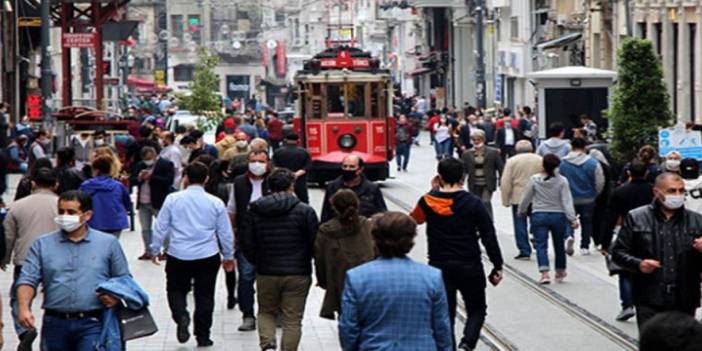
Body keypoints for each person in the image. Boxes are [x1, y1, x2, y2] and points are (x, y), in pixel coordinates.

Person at [15, 190, 130, 351]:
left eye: (71, 212)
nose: (64, 216)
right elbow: (28, 279)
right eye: (61, 212)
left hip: (93, 323)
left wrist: (115, 296)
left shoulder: (108, 244)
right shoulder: (42, 245)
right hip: (54, 323)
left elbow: (123, 278)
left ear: (87, 215)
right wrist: (24, 308)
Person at [410, 158, 503, 350]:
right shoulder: (473, 203)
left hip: (439, 264)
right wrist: (497, 264)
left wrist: (432, 191)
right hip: (469, 263)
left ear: (439, 176)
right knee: (477, 309)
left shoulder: (428, 201)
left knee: (445, 314)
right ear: (463, 176)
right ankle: (467, 345)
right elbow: (488, 236)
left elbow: (415, 220)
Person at [339, 212, 453, 351]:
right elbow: (442, 328)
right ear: (410, 239)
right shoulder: (432, 277)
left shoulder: (357, 277)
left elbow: (348, 327)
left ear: (375, 239)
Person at [151, 162, 235, 347]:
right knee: (205, 295)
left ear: (186, 177)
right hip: (207, 254)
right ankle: (203, 335)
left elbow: (161, 226)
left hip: (178, 253)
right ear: (206, 179)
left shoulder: (173, 199)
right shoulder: (215, 202)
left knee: (175, 289)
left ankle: (181, 315)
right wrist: (228, 256)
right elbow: (225, 232)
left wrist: (155, 249)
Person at [240, 169, 319, 351]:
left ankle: (267, 345)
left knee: (266, 311)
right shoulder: (304, 211)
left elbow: (247, 241)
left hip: (266, 270)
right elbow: (315, 242)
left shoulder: (255, 209)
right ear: (292, 185)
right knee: (293, 319)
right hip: (297, 272)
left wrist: (257, 260)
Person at [612, 173, 702, 330]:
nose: (677, 195)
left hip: (684, 298)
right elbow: (618, 253)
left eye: (681, 191)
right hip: (649, 297)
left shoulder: (696, 220)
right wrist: (639, 264)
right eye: (672, 191)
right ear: (656, 192)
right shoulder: (637, 217)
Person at [3, 168, 58, 350]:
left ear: (33, 184)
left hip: (25, 259)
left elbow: (9, 236)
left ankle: (24, 329)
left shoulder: (18, 206)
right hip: (56, 259)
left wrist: (4, 259)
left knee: (18, 298)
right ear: (56, 184)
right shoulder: (62, 205)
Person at [601, 159, 653, 322]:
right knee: (649, 266)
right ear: (647, 173)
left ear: (629, 173)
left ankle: (628, 305)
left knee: (625, 269)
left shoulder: (620, 192)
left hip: (627, 233)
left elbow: (610, 218)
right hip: (651, 232)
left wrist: (605, 242)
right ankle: (648, 302)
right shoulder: (653, 191)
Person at [228, 149, 272, 331]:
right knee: (246, 278)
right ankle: (248, 315)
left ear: (267, 163)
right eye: (253, 161)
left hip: (271, 239)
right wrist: (232, 236)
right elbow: (232, 210)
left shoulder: (274, 181)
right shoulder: (239, 183)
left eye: (260, 161)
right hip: (246, 238)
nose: (257, 165)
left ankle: (270, 313)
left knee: (270, 279)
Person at [518, 154, 578, 284]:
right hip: (558, 215)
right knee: (559, 245)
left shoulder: (534, 179)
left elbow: (526, 197)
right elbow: (567, 201)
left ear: (543, 165)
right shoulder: (562, 180)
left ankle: (544, 273)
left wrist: (521, 210)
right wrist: (572, 219)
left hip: (539, 214)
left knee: (541, 245)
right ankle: (560, 270)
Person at [314, 190, 374, 320]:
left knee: (346, 318)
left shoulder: (326, 230)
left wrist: (323, 280)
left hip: (339, 280)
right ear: (357, 205)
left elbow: (319, 258)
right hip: (367, 281)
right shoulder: (366, 225)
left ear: (334, 207)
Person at [559, 138, 605, 256]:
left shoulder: (563, 163)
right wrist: (595, 193)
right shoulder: (593, 163)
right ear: (585, 147)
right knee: (587, 222)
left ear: (571, 147)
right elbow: (600, 181)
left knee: (569, 219)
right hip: (588, 198)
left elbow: (558, 180)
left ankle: (569, 235)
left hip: (569, 198)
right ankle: (585, 246)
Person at [130, 146, 175, 260]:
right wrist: (139, 178)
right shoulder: (140, 165)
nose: (147, 161)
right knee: (145, 229)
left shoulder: (166, 164)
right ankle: (148, 251)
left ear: (155, 156)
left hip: (158, 201)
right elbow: (132, 180)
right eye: (145, 159)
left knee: (163, 227)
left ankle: (167, 250)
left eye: (150, 158)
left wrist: (152, 177)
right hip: (143, 202)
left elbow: (169, 181)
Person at [500, 140, 543, 259]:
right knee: (537, 221)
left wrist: (505, 199)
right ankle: (538, 241)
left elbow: (506, 181)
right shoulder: (539, 159)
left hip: (518, 197)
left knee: (520, 223)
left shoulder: (512, 161)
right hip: (537, 196)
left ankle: (524, 250)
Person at [320, 155, 387, 223]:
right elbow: (325, 216)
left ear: (360, 169)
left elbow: (382, 214)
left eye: (352, 167)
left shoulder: (372, 189)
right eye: (345, 166)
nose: (347, 169)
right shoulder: (332, 187)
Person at [79, 156, 132, 238]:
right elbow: (127, 203)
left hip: (94, 222)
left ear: (96, 170)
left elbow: (79, 202)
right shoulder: (118, 186)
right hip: (115, 222)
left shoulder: (86, 186)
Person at [461, 129, 504, 219]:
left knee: (485, 201)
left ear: (483, 140)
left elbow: (500, 167)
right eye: (474, 140)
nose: (476, 142)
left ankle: (489, 221)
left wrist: (502, 180)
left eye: (478, 139)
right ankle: (478, 224)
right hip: (474, 182)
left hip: (488, 182)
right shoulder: (467, 154)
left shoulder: (493, 152)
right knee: (475, 204)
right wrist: (460, 181)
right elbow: (464, 169)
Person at [272, 133, 312, 203]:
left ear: (285, 140)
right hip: (300, 180)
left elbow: (275, 166)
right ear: (298, 140)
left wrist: (286, 173)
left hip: (282, 180)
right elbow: (307, 166)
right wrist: (296, 174)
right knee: (303, 200)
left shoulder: (278, 152)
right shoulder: (304, 152)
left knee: (281, 200)